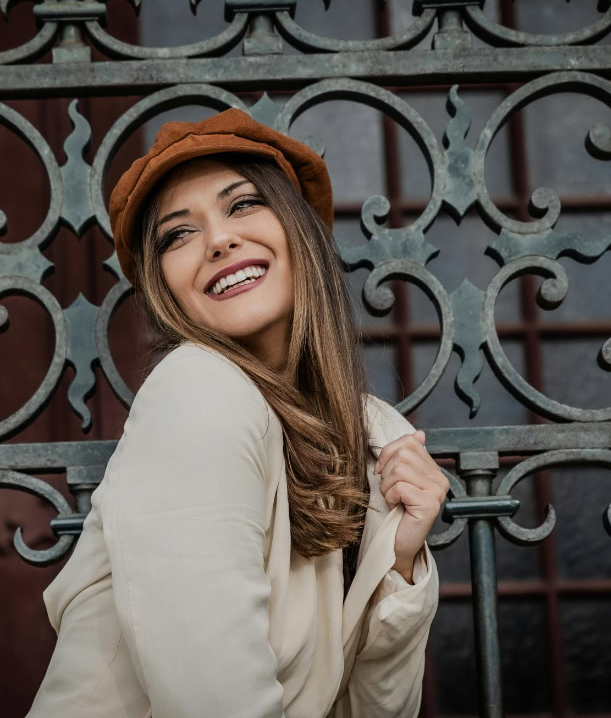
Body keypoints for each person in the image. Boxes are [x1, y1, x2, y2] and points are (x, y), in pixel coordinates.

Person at [27, 108, 449, 717]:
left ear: (299, 230)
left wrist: (398, 563)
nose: (219, 240)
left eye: (243, 204)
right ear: (163, 285)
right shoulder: (196, 391)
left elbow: (370, 710)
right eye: (178, 234)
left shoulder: (368, 437)